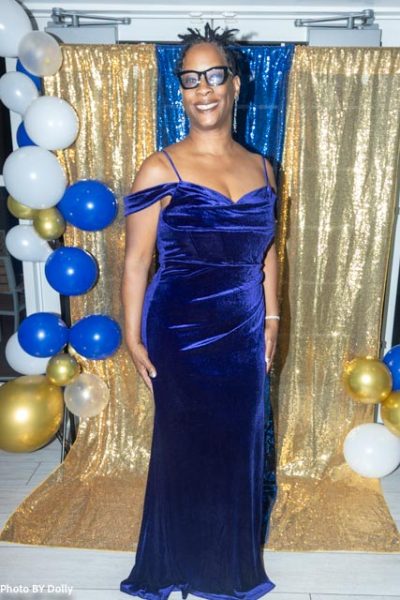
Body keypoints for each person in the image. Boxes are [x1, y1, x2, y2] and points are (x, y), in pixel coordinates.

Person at [120, 22, 279, 600]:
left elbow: (269, 253)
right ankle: (175, 564)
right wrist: (132, 336)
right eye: (190, 79)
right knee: (184, 449)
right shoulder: (160, 167)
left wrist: (273, 319)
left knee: (238, 447)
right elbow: (137, 261)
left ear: (236, 84)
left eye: (214, 76)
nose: (203, 89)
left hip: (244, 331)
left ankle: (227, 570)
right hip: (180, 331)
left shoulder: (265, 169)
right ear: (181, 91)